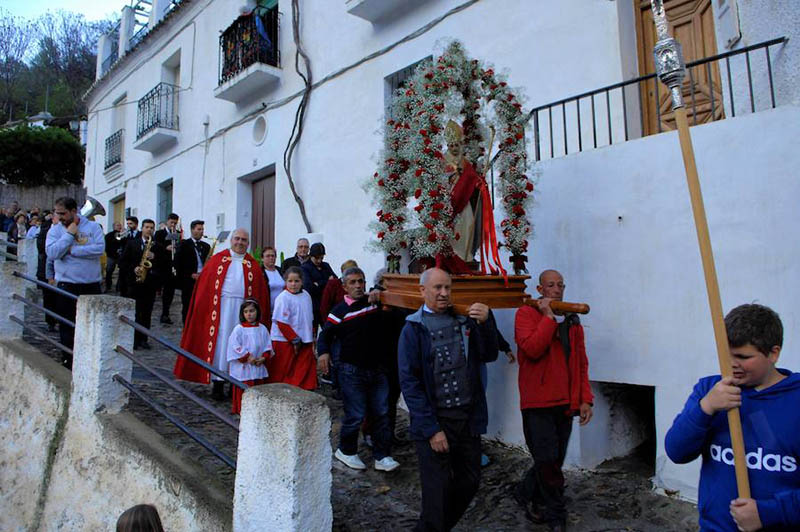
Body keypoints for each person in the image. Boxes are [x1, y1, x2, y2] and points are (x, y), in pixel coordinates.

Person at [665, 304, 800, 532]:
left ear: (773, 353)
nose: (731, 364)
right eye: (725, 355)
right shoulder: (709, 389)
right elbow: (676, 452)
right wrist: (706, 407)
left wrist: (768, 513)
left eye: (742, 357)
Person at [398, 267, 499, 531]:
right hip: (435, 423)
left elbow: (489, 354)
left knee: (470, 481)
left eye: (448, 288)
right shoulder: (413, 329)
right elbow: (410, 384)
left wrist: (488, 322)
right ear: (423, 291)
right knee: (437, 494)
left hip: (467, 419)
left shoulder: (464, 320)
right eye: (437, 288)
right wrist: (432, 430)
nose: (444, 294)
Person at [512, 269, 593, 532]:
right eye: (551, 285)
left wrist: (585, 399)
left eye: (560, 285)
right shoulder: (525, 313)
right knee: (546, 459)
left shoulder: (571, 320)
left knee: (553, 460)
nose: (557, 289)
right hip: (537, 403)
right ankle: (557, 514)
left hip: (565, 402)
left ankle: (525, 492)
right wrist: (547, 318)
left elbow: (580, 362)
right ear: (540, 289)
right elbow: (532, 349)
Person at [318, 267, 400, 472]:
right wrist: (324, 353)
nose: (357, 286)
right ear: (344, 286)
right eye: (353, 282)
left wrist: (380, 298)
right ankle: (346, 450)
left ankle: (382, 456)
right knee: (355, 414)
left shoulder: (374, 302)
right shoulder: (338, 312)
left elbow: (393, 313)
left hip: (378, 369)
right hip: (350, 370)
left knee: (382, 413)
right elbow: (325, 336)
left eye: (360, 281)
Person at [174, 228, 269, 400]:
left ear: (248, 244)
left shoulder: (253, 265)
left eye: (244, 240)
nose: (240, 242)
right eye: (237, 239)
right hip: (221, 310)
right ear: (231, 240)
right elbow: (204, 288)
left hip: (243, 311)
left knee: (241, 343)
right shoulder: (217, 260)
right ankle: (218, 382)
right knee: (221, 343)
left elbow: (259, 294)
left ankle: (236, 383)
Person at [45, 197, 104, 368]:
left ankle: (89, 362)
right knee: (67, 326)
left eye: (63, 213)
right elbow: (53, 253)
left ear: (73, 211)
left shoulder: (92, 227)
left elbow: (99, 249)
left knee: (92, 327)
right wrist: (69, 234)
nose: (60, 216)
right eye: (58, 213)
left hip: (91, 285)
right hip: (67, 285)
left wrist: (72, 250)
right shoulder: (55, 231)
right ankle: (68, 361)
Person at [119, 219, 166, 350]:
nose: (149, 230)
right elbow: (122, 262)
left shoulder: (158, 246)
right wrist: (134, 268)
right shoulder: (131, 244)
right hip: (134, 283)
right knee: (134, 312)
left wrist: (155, 257)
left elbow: (164, 265)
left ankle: (143, 338)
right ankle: (132, 339)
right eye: (147, 227)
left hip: (149, 283)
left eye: (152, 227)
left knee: (147, 312)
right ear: (142, 228)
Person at [266, 266, 316, 390]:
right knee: (282, 370)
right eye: (290, 281)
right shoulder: (283, 298)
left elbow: (309, 318)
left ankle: (303, 390)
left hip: (304, 339)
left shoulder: (306, 296)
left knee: (302, 368)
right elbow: (281, 322)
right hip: (285, 340)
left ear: (302, 281)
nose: (293, 284)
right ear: (285, 282)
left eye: (296, 281)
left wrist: (312, 334)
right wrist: (294, 338)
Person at [227, 299, 272, 414]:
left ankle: (257, 412)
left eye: (252, 311)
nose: (249, 314)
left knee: (258, 389)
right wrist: (247, 357)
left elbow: (268, 345)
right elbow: (234, 346)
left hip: (258, 364)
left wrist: (263, 357)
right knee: (244, 389)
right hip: (245, 366)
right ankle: (241, 411)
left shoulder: (262, 329)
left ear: (257, 311)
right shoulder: (239, 329)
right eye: (246, 311)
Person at [318, 259, 358, 386]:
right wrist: (328, 326)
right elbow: (324, 306)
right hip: (335, 326)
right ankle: (336, 384)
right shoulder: (334, 284)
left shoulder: (357, 286)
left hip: (350, 328)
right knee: (337, 357)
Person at [174, 220, 210, 325]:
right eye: (199, 229)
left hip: (203, 280)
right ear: (192, 230)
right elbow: (177, 263)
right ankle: (187, 330)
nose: (201, 232)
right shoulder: (184, 244)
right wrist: (190, 274)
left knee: (201, 306)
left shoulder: (206, 246)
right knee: (188, 307)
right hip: (189, 281)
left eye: (202, 229)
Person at [301, 242, 336, 332]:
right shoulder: (305, 268)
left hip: (327, 305)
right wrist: (327, 281)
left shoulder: (326, 266)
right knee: (313, 333)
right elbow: (309, 288)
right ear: (311, 256)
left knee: (329, 332)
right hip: (314, 307)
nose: (319, 261)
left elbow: (335, 282)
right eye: (316, 258)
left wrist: (318, 283)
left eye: (321, 258)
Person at [154, 213, 181, 324]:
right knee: (158, 288)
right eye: (171, 223)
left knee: (169, 291)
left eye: (175, 223)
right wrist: (166, 248)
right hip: (161, 265)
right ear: (167, 222)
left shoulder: (178, 234)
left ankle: (165, 313)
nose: (173, 225)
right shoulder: (160, 233)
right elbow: (155, 246)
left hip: (172, 266)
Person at [36, 215, 58, 331]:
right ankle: (50, 322)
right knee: (49, 297)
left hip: (62, 270)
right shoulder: (45, 230)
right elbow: (41, 249)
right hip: (46, 268)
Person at [118, 216, 140, 296]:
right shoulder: (125, 234)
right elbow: (118, 244)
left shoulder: (140, 234)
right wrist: (120, 236)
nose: (128, 226)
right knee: (123, 282)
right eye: (127, 224)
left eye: (131, 224)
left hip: (135, 261)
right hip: (125, 262)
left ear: (136, 224)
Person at [260, 246, 283, 322]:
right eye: (267, 256)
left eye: (273, 256)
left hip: (282, 311)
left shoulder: (281, 271)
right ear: (262, 258)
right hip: (267, 311)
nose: (271, 258)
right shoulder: (260, 273)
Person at [104, 222, 124, 292]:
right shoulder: (109, 235)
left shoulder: (122, 235)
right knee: (109, 271)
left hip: (120, 256)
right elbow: (107, 246)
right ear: (114, 226)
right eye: (118, 225)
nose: (120, 227)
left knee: (121, 271)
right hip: (111, 256)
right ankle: (108, 286)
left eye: (120, 225)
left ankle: (118, 287)